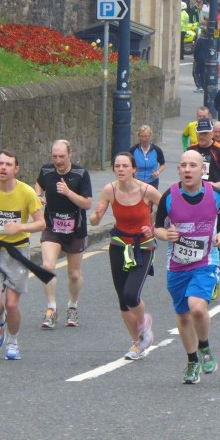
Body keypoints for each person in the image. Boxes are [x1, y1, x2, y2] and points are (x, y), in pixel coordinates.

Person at [154, 150, 220, 384]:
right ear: (178, 170)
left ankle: (204, 346)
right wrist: (165, 234)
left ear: (203, 170)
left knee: (198, 308)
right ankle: (192, 361)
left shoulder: (215, 194)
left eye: (193, 165)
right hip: (177, 264)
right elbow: (157, 228)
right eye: (183, 165)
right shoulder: (169, 196)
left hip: (206, 260)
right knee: (183, 315)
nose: (188, 169)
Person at [0, 150, 48, 360]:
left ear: (16, 169)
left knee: (12, 304)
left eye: (8, 164)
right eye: (0, 163)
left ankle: (13, 342)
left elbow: (41, 223)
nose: (3, 168)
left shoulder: (26, 193)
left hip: (18, 251)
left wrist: (19, 227)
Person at [90, 153, 161, 360]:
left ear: (134, 169)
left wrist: (153, 227)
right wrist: (96, 214)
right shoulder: (109, 190)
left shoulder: (147, 190)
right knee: (123, 300)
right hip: (119, 246)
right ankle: (136, 343)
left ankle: (144, 324)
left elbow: (168, 209)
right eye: (117, 166)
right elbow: (94, 222)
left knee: (131, 295)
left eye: (124, 166)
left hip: (143, 246)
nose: (120, 169)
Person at [35, 140, 93, 329]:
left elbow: (87, 204)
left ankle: (73, 306)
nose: (58, 161)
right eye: (54, 157)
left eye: (61, 156)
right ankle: (51, 308)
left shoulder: (81, 174)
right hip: (52, 227)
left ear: (70, 155)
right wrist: (39, 196)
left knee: (74, 274)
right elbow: (38, 184)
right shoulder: (46, 171)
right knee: (47, 266)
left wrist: (68, 192)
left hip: (75, 230)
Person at [129, 125, 166, 189]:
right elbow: (128, 164)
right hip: (136, 181)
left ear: (150, 136)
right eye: (141, 136)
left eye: (146, 136)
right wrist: (132, 173)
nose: (144, 139)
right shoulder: (133, 150)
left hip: (152, 181)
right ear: (138, 136)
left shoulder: (157, 150)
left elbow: (162, 164)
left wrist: (157, 172)